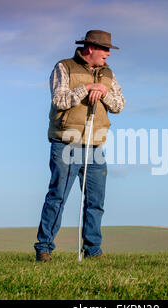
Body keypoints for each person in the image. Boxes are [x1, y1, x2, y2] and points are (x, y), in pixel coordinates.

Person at [34, 30, 125, 261]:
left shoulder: (108, 74)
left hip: (95, 145)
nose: (107, 54)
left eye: (109, 50)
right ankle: (44, 247)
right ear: (90, 48)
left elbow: (119, 105)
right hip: (66, 142)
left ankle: (92, 249)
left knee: (96, 201)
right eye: (104, 49)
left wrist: (103, 92)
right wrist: (86, 89)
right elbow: (59, 100)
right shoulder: (64, 67)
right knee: (57, 197)